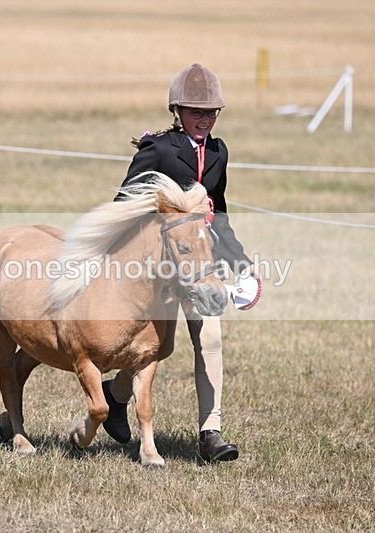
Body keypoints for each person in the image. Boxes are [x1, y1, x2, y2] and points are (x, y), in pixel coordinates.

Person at [103, 63, 256, 463]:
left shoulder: (220, 152)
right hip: (161, 267)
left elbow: (218, 212)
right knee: (160, 348)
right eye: (196, 113)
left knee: (210, 337)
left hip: (201, 262)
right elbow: (124, 205)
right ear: (177, 111)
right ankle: (114, 396)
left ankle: (211, 433)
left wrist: (240, 263)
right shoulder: (156, 149)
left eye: (212, 113)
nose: (205, 120)